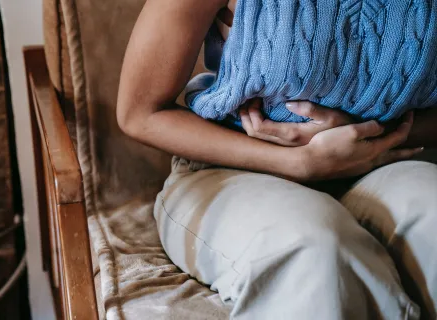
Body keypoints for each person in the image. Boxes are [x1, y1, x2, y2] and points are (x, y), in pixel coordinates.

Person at [116, 0, 437, 318]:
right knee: (316, 251)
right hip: (231, 170)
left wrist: (365, 135)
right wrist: (300, 163)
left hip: (380, 162)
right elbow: (140, 112)